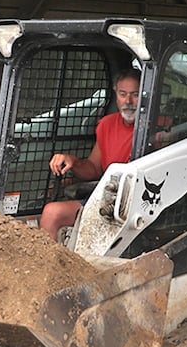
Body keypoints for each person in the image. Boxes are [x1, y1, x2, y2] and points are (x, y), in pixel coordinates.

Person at [39, 70, 140, 241]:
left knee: (52, 212)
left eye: (135, 95)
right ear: (116, 95)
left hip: (134, 203)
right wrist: (73, 162)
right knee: (51, 213)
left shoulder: (158, 130)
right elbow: (94, 168)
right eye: (123, 94)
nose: (128, 101)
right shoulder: (107, 125)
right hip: (107, 199)